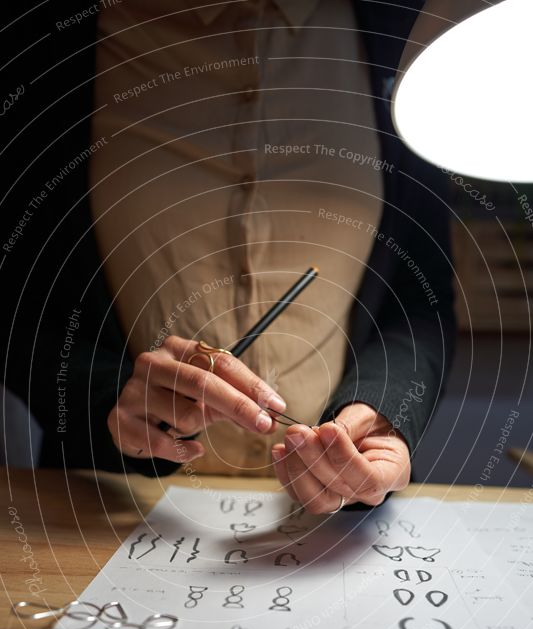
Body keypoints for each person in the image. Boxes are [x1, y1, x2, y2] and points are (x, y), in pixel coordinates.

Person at [1, 1, 455, 513]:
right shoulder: (44, 46)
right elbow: (16, 307)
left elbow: (421, 304)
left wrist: (382, 412)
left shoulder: (406, 34)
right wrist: (110, 395)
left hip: (348, 525)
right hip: (104, 509)